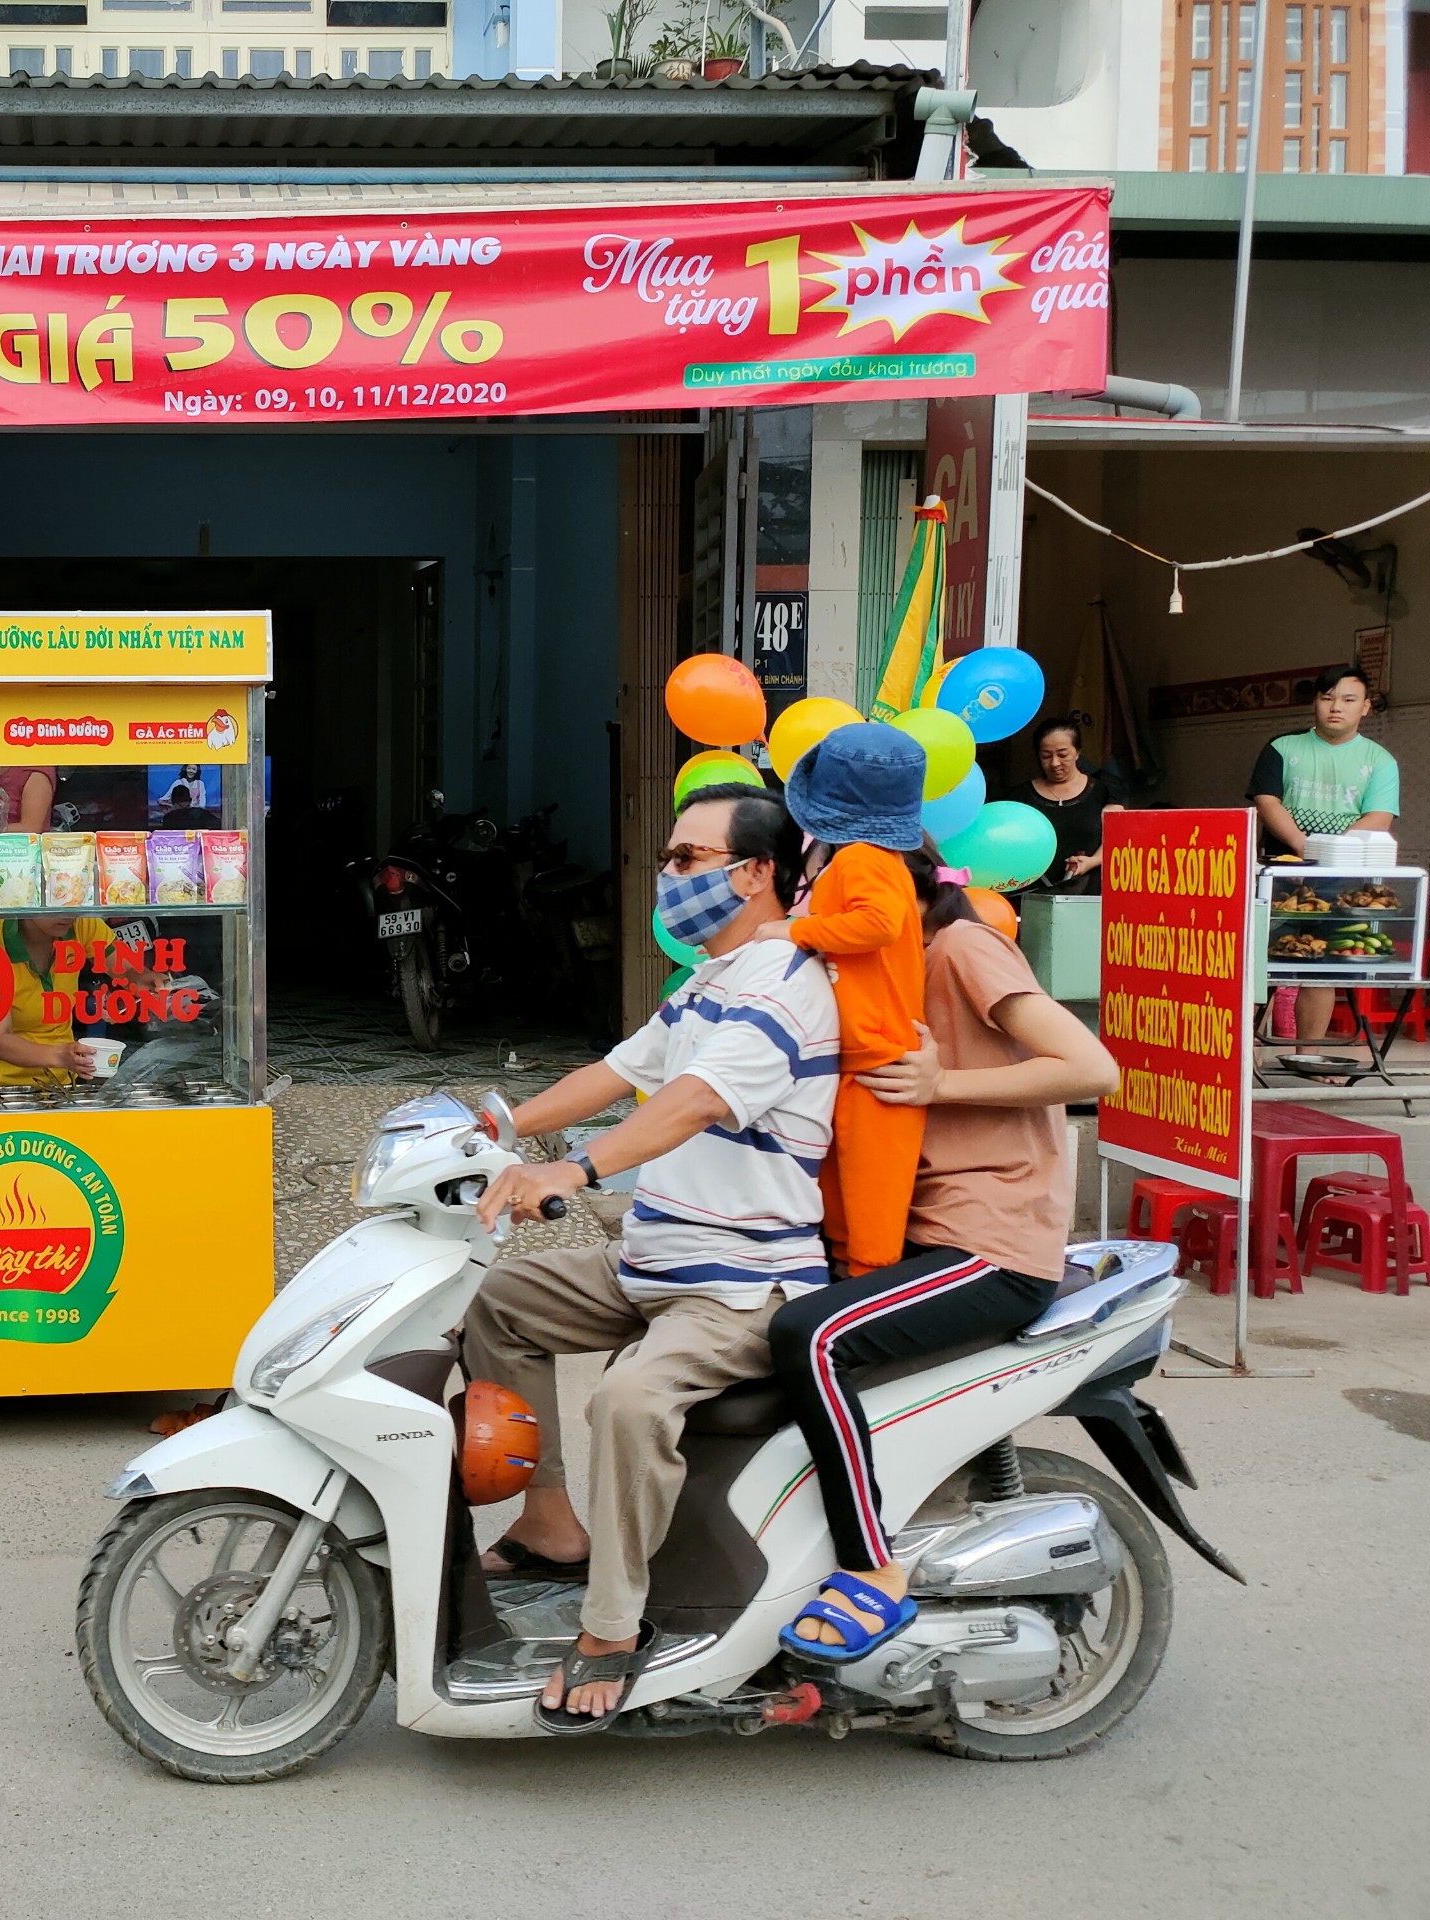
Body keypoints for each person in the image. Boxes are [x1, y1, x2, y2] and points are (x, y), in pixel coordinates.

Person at [462, 784, 837, 1732]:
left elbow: (693, 1103)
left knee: (626, 1402)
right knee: (499, 1303)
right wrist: (493, 1125)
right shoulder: (708, 979)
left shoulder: (784, 982)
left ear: (755, 873)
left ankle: (612, 1631)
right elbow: (622, 1071)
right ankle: (550, 1527)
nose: (667, 878)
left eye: (685, 860)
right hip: (657, 1259)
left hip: (743, 1283)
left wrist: (575, 1169)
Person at [766, 849, 1119, 1659]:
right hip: (911, 1229)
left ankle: (872, 1570)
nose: (829, 907)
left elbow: (1093, 1068)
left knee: (811, 1339)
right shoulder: (870, 969)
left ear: (903, 890)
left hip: (989, 1241)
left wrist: (941, 1086)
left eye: (847, 891)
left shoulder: (960, 950)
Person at [754, 722, 929, 1277]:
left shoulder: (861, 859)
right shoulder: (873, 859)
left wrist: (795, 932)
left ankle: (862, 1314)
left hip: (878, 1063)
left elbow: (877, 924)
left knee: (870, 1228)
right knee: (844, 1212)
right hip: (861, 1055)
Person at [1249, 663, 1402, 1042]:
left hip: (1344, 879)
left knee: (1321, 969)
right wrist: (1305, 848)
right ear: (1315, 703)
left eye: (1349, 699)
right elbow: (1267, 801)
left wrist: (1330, 854)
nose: (1336, 706)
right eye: (1327, 697)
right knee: (1255, 965)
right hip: (1280, 872)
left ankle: (1308, 1056)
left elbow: (1380, 816)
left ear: (1365, 707)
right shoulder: (1281, 748)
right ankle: (1243, 1055)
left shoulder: (1380, 760)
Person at [0, 911, 162, 1090]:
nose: (69, 913)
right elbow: (0, 1039)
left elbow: (126, 970)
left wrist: (144, 979)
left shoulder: (81, 925)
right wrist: (61, 1056)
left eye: (75, 900)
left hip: (63, 1080)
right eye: (56, 901)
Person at [1012, 714, 1124, 895]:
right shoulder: (1019, 797)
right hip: (1033, 898)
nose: (1055, 763)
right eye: (1046, 756)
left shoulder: (1105, 792)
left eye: (1063, 754)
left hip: (1090, 896)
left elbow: (1119, 838)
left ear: (1078, 751)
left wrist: (1092, 861)